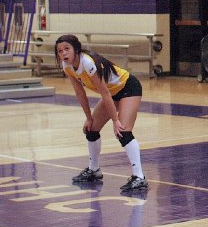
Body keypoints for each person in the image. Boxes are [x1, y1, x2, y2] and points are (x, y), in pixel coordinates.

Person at [55, 34, 148, 192]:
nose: (63, 53)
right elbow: (79, 93)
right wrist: (89, 118)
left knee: (123, 131)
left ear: (76, 49)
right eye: (59, 51)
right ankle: (94, 170)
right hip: (112, 94)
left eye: (66, 49)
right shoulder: (67, 66)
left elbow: (104, 92)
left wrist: (115, 121)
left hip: (128, 88)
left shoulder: (87, 63)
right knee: (91, 129)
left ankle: (139, 177)